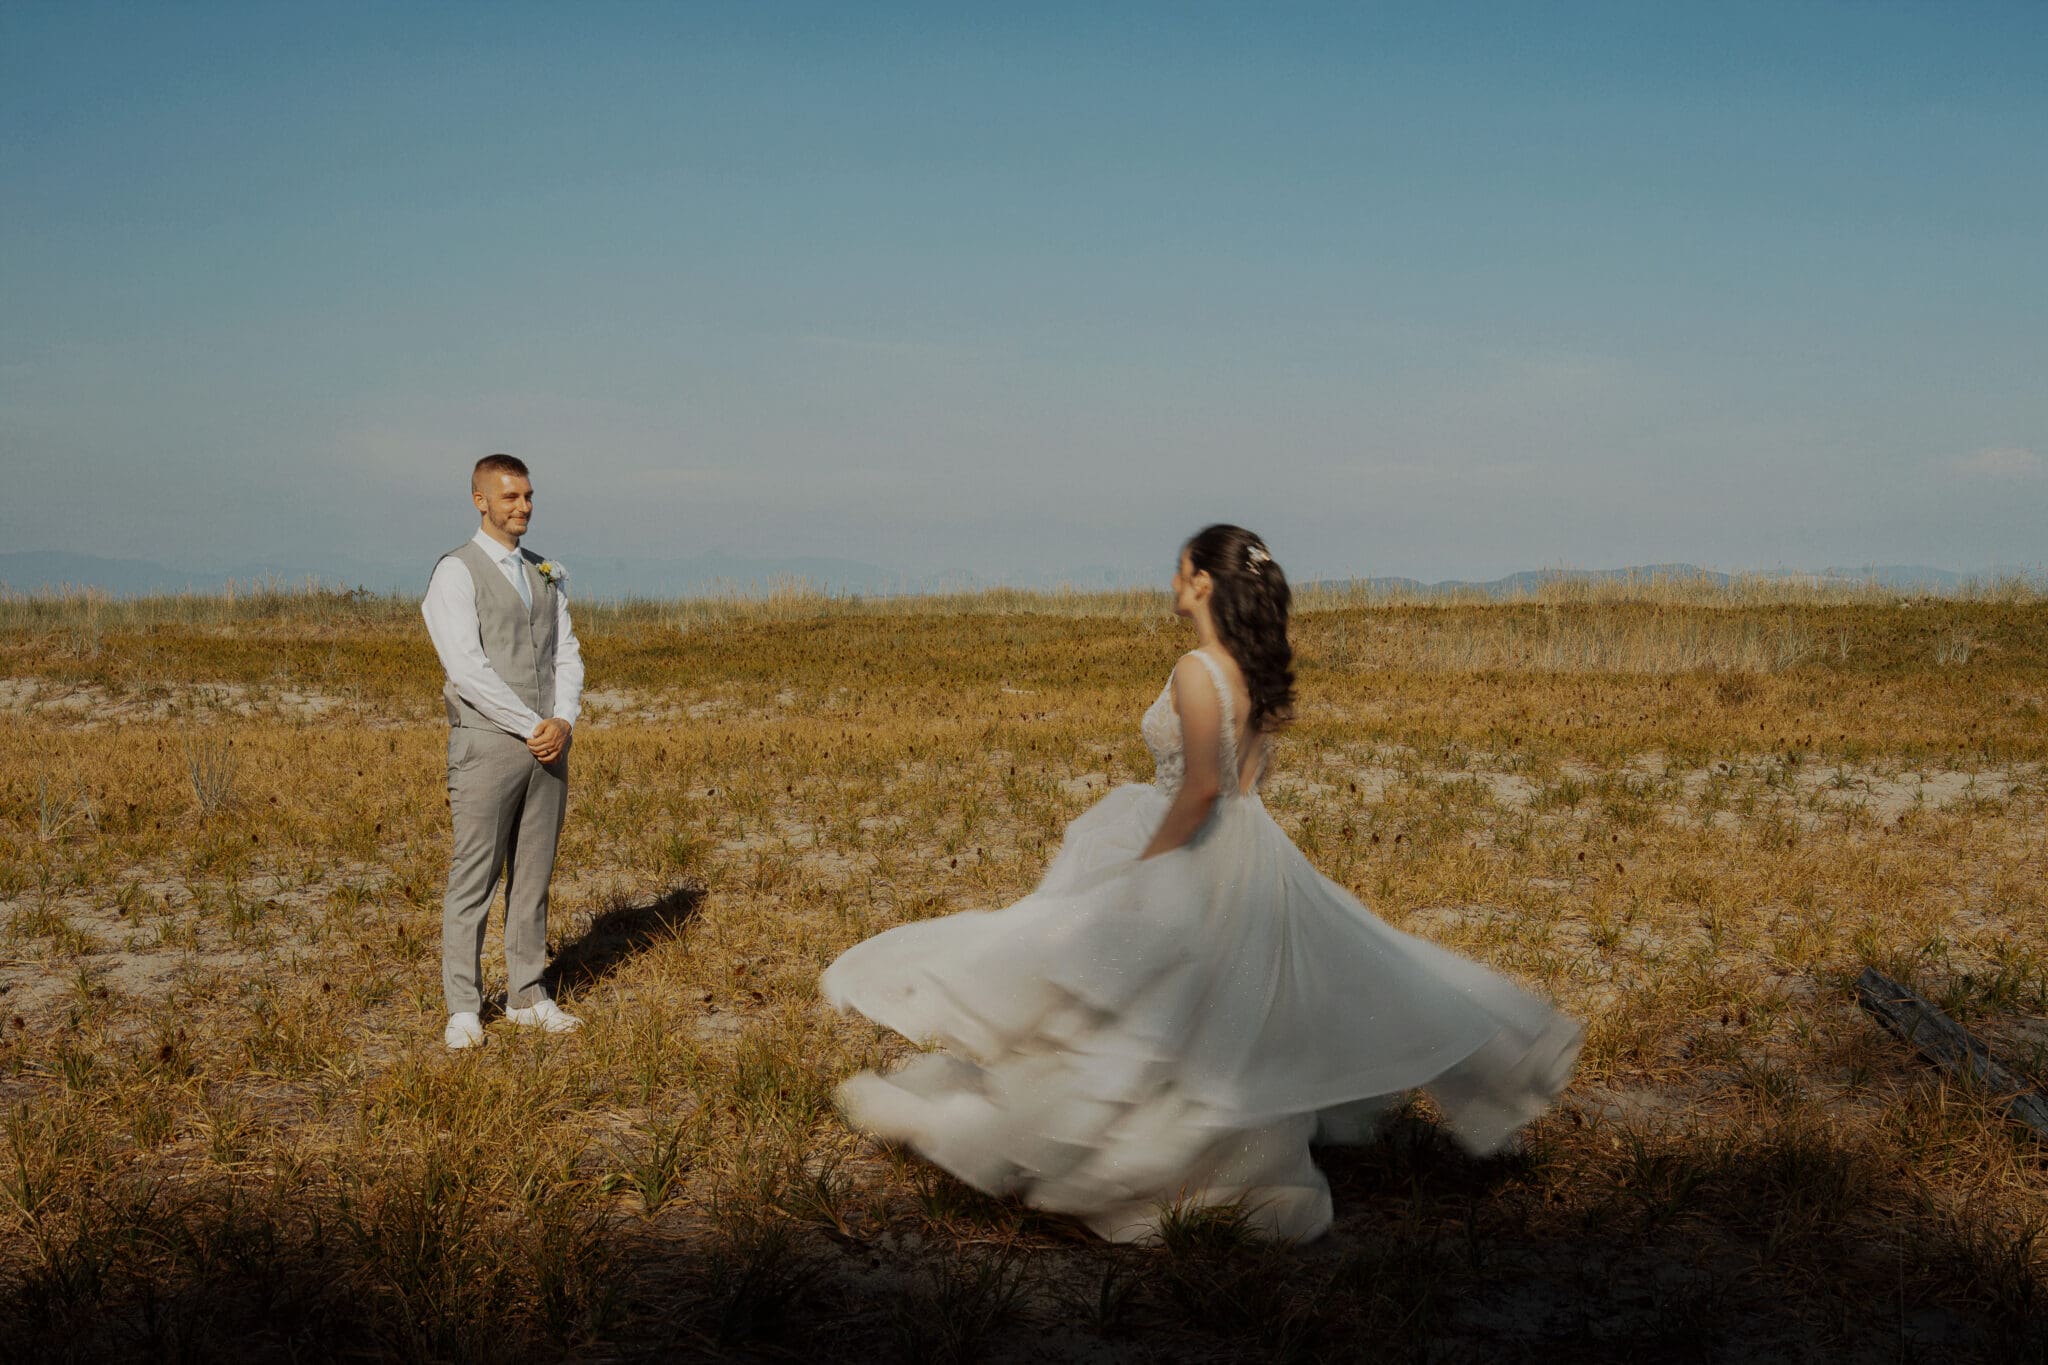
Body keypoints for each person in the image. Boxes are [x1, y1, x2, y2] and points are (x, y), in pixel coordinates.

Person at [821, 524, 1580, 1242]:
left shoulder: (1195, 669)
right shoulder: (1252, 674)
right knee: (1219, 1005)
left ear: (1205, 582)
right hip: (1251, 847)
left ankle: (1133, 1156)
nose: (1173, 582)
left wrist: (1145, 869)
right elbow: (1251, 778)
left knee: (1119, 984)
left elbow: (1199, 788)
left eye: (1182, 569)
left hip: (1195, 836)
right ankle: (1224, 1145)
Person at [421, 453, 586, 1050]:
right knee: (476, 873)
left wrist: (562, 719)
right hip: (489, 742)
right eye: (510, 497)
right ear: (480, 500)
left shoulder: (547, 571)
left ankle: (527, 994)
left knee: (534, 872)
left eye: (529, 496)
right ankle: (463, 1006)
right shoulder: (455, 572)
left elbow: (566, 651)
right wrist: (529, 724)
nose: (523, 507)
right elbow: (466, 668)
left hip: (549, 744)